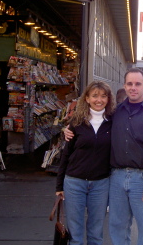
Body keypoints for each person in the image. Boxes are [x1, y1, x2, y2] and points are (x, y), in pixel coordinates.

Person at [64, 68, 143, 245]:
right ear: (124, 86)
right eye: (129, 84)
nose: (133, 88)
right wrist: (68, 130)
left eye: (137, 84)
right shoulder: (115, 113)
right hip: (117, 178)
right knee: (118, 227)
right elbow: (92, 124)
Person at [56, 81, 115, 245]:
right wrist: (59, 186)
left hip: (101, 184)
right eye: (95, 96)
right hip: (74, 183)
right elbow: (66, 155)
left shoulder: (113, 122)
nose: (99, 100)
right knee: (75, 234)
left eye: (104, 96)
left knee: (96, 234)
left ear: (108, 99)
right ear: (87, 99)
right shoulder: (76, 122)